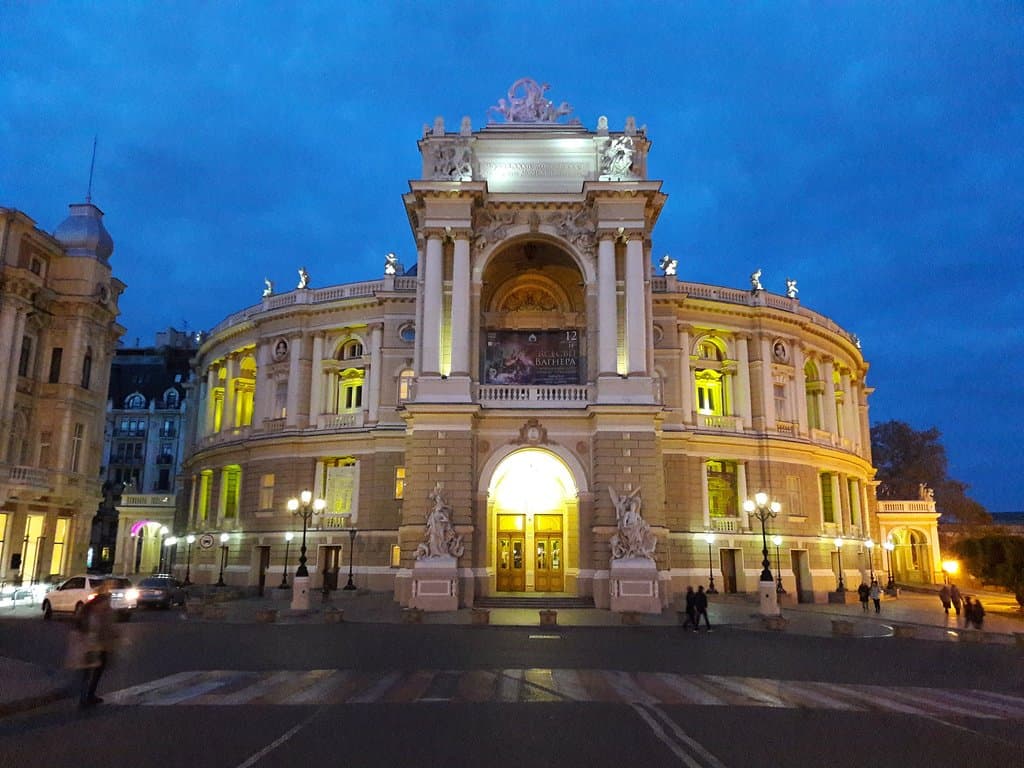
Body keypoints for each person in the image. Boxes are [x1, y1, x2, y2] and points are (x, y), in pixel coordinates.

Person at [74, 579, 116, 708]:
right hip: (94, 644)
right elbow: (101, 626)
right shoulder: (99, 608)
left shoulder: (93, 607)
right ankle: (85, 697)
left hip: (95, 643)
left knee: (92, 671)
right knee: (91, 671)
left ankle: (87, 696)